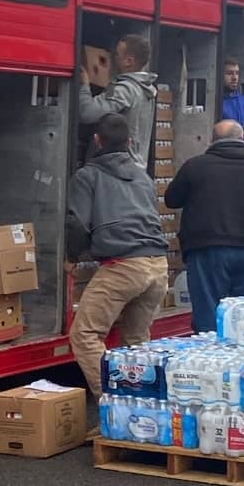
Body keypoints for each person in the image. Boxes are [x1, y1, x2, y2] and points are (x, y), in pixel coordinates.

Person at [65, 112, 171, 401]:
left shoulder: (87, 176)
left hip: (123, 266)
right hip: (158, 266)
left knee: (85, 336)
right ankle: (142, 408)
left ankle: (115, 404)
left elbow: (76, 222)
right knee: (136, 342)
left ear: (97, 141)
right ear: (130, 142)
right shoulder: (143, 176)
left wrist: (72, 256)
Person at [165, 118, 244, 333]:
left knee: (210, 321)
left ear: (212, 141)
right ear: (242, 139)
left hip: (208, 252)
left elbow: (171, 200)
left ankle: (213, 364)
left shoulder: (194, 167)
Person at [78, 35, 159, 168]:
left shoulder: (124, 90)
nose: (112, 57)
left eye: (116, 54)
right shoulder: (145, 90)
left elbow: (87, 113)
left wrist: (84, 85)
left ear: (129, 61)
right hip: (135, 169)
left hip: (113, 171)